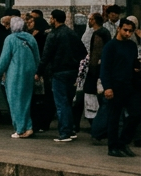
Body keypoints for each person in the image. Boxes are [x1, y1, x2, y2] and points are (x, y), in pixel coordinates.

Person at [41, 9, 84, 142]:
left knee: (61, 103)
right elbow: (83, 52)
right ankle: (70, 130)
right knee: (68, 102)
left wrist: (38, 71)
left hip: (58, 72)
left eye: (51, 18)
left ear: (54, 19)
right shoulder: (72, 33)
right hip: (72, 72)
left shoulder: (53, 35)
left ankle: (64, 132)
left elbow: (46, 55)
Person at [100, 19, 140, 158]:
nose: (128, 33)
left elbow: (133, 64)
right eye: (125, 30)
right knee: (114, 118)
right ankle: (113, 146)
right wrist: (107, 87)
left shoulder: (132, 46)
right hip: (115, 86)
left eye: (130, 31)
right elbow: (105, 68)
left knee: (136, 113)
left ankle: (123, 142)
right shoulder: (111, 46)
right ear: (119, 29)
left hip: (130, 86)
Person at [0, 16, 40, 139]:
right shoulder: (30, 38)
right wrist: (37, 72)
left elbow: (4, 59)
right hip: (29, 73)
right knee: (25, 101)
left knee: (15, 101)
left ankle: (20, 129)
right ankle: (28, 126)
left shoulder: (10, 39)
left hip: (15, 74)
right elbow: (37, 57)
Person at [85, 13, 112, 142]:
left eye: (90, 19)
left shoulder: (98, 34)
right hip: (103, 70)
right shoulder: (105, 32)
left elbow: (95, 54)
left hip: (98, 72)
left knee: (100, 102)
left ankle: (99, 130)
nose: (89, 21)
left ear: (94, 21)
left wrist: (93, 72)